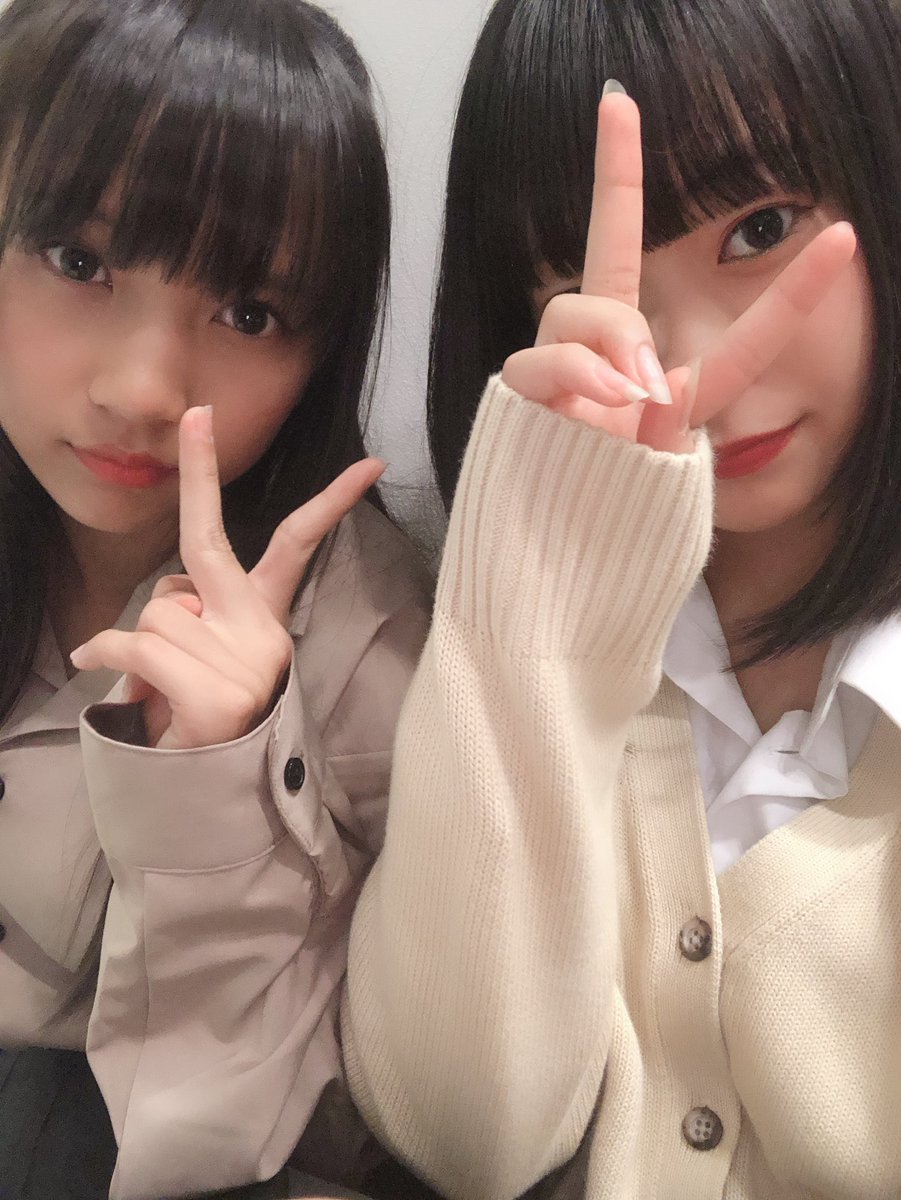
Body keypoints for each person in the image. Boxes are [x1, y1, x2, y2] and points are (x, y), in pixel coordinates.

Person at [342, 1, 901, 1197]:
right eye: (583, 279)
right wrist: (530, 620)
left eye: (759, 228)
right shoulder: (505, 637)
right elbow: (462, 1136)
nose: (689, 365)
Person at [0, 1, 431, 1197]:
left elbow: (269, 1150)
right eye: (80, 261)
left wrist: (216, 796)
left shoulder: (370, 655)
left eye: (248, 313)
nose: (144, 389)